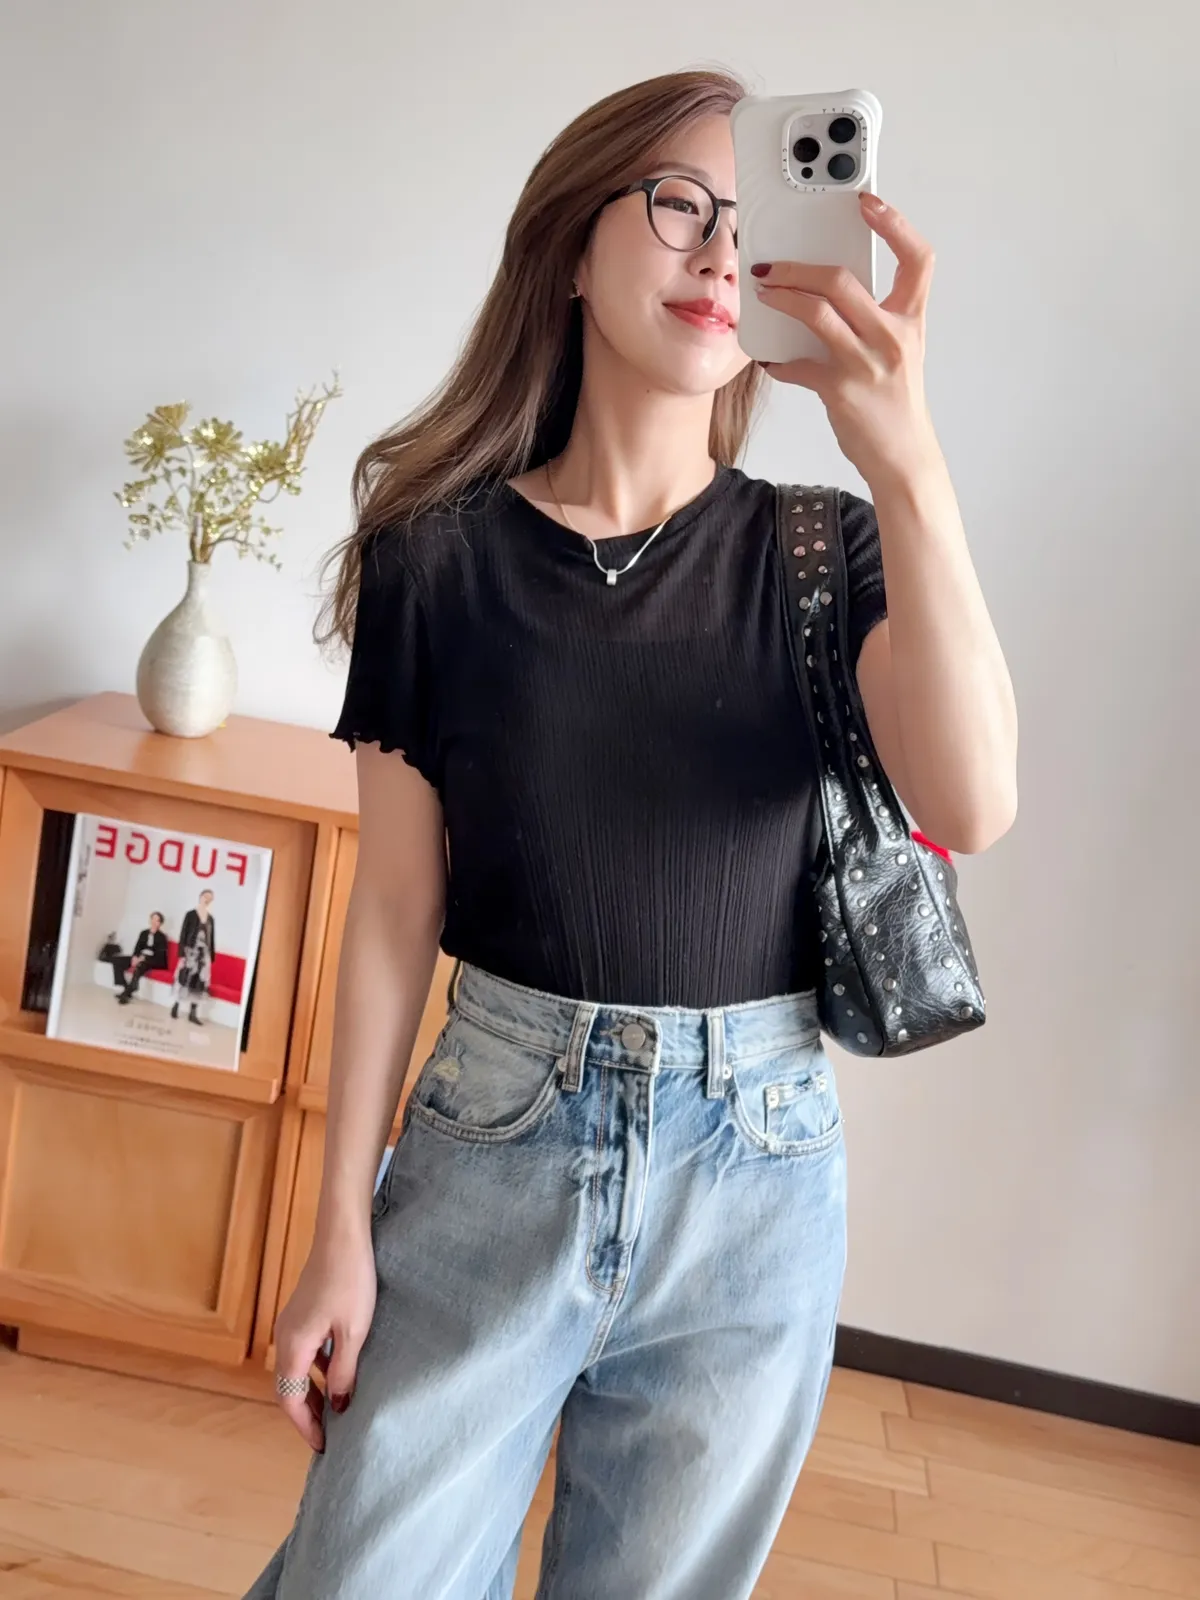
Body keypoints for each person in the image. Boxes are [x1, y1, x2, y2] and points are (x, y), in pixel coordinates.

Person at [246, 69, 1017, 1600]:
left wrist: (908, 455)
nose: (722, 251)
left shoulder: (824, 549)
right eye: (679, 205)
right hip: (490, 1144)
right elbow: (392, 912)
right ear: (571, 247)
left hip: (755, 1183)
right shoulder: (432, 562)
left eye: (752, 218)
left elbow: (974, 805)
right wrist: (338, 1227)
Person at [170, 890, 215, 1025]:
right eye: (206, 896)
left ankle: (193, 1013)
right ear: (200, 897)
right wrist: (181, 954)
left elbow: (211, 939)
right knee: (183, 979)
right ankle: (176, 1006)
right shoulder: (190, 914)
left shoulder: (211, 919)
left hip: (203, 955)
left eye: (210, 898)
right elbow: (183, 934)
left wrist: (211, 957)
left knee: (199, 982)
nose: (207, 900)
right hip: (190, 952)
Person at [111, 910, 169, 1004]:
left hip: (154, 960)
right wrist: (135, 957)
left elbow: (160, 955)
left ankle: (127, 993)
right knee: (117, 960)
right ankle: (127, 987)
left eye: (157, 920)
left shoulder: (162, 937)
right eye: (153, 919)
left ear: (160, 923)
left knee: (140, 965)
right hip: (140, 957)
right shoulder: (143, 933)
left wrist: (143, 958)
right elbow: (137, 947)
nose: (154, 922)